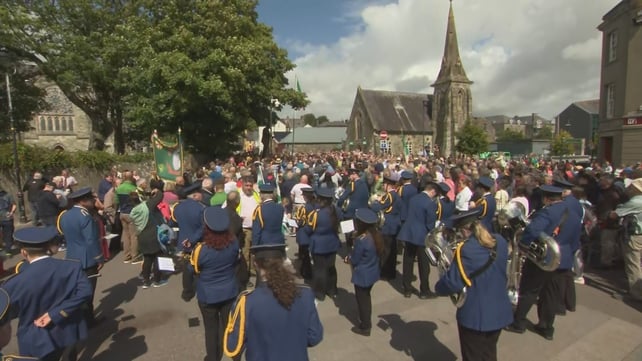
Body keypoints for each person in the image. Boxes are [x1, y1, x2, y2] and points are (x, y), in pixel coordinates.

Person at [2, 226, 92, 360]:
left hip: (36, 338)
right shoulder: (71, 267)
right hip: (67, 328)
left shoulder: (13, 284)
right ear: (48, 248)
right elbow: (85, 292)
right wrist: (55, 313)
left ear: (23, 252)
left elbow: (7, 314)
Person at [505, 185, 582, 340]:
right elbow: (576, 242)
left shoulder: (547, 212)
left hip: (544, 258)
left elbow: (532, 231)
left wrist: (524, 245)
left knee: (529, 290)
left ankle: (518, 323)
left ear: (546, 198)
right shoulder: (574, 214)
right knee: (551, 294)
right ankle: (546, 327)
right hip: (563, 259)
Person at [435, 209, 513, 361]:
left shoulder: (465, 250)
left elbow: (452, 282)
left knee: (472, 356)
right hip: (499, 310)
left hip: (476, 315)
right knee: (489, 354)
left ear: (464, 230)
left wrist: (439, 287)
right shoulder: (500, 241)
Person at [224, 244, 323, 361]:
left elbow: (232, 347)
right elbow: (315, 337)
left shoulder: (247, 302)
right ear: (282, 262)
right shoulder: (305, 294)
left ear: (256, 264)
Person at [184, 207, 239, 361]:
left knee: (211, 329)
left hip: (208, 294)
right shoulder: (234, 243)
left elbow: (190, 271)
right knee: (230, 325)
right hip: (229, 291)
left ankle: (213, 357)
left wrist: (187, 291)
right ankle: (234, 353)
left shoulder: (201, 250)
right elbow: (237, 262)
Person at [57, 187, 104, 328]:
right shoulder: (85, 216)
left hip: (71, 256)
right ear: (83, 201)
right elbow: (91, 240)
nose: (93, 201)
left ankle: (82, 319)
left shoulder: (65, 215)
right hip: (87, 258)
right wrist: (99, 258)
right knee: (88, 292)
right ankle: (88, 321)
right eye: (91, 199)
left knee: (77, 290)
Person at [345, 208, 384, 336]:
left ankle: (365, 326)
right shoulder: (375, 235)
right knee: (366, 298)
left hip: (363, 274)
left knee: (362, 301)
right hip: (372, 271)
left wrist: (348, 258)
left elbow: (355, 259)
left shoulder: (362, 241)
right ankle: (366, 321)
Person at [397, 182, 439, 298]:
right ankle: (424, 290)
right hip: (421, 235)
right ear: (432, 192)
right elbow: (430, 223)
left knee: (408, 261)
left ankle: (407, 289)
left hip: (409, 233)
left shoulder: (414, 199)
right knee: (424, 265)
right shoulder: (430, 203)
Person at [304, 187, 343, 300]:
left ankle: (320, 293)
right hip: (333, 243)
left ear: (320, 200)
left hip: (319, 245)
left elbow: (308, 229)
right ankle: (332, 290)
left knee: (319, 269)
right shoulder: (336, 211)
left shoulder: (316, 214)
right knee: (331, 268)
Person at [610, 178, 642, 301]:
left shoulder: (635, 201)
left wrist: (617, 208)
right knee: (638, 263)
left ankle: (636, 294)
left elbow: (614, 214)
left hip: (635, 235)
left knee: (633, 264)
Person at [134, 180, 168, 289]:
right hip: (153, 236)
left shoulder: (135, 211)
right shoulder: (147, 207)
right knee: (157, 258)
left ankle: (146, 281)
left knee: (147, 259)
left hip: (142, 237)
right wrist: (157, 190)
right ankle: (157, 280)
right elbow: (159, 197)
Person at [369, 175, 401, 280]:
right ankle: (390, 272)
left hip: (388, 225)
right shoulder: (395, 194)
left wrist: (375, 201)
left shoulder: (390, 195)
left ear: (388, 185)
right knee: (392, 250)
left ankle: (384, 272)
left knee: (385, 250)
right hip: (394, 223)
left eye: (384, 184)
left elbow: (378, 207)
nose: (383, 186)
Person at [337, 168, 369, 250]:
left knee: (348, 234)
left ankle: (350, 252)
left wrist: (339, 205)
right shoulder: (364, 184)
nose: (349, 177)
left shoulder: (352, 184)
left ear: (354, 174)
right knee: (359, 233)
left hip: (350, 213)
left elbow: (343, 197)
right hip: (362, 213)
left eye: (350, 175)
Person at [115, 171, 141, 264]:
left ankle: (127, 256)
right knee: (134, 236)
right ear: (131, 178)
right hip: (131, 213)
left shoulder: (119, 188)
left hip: (122, 212)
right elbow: (138, 202)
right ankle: (135, 257)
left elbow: (116, 201)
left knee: (126, 235)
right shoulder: (133, 188)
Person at [295, 187, 316, 280]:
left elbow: (301, 222)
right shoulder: (315, 205)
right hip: (312, 233)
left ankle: (306, 272)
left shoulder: (305, 207)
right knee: (306, 255)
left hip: (304, 234)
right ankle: (305, 271)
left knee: (305, 256)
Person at [0, 185, 16, 257]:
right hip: (7, 217)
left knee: (6, 234)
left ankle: (3, 248)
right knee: (8, 234)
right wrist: (12, 212)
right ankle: (8, 251)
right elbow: (14, 205)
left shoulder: (8, 195)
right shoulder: (8, 195)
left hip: (6, 218)